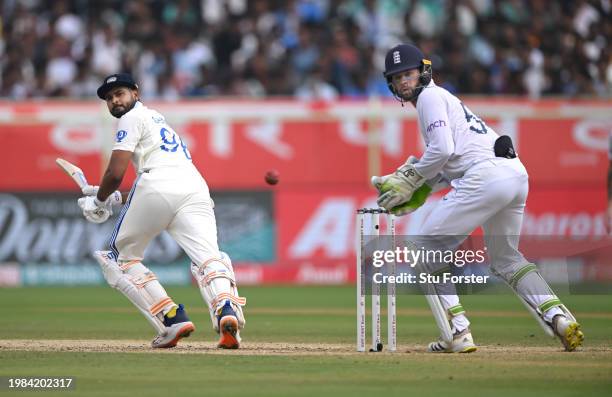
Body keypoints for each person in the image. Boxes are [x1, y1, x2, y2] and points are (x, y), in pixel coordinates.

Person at [371, 44, 584, 352]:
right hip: (513, 174)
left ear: (423, 71)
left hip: (486, 176)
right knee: (506, 258)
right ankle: (559, 317)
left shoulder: (430, 97)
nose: (403, 81)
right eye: (397, 77)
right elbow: (450, 161)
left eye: (408, 73)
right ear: (390, 83)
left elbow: (442, 150)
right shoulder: (443, 99)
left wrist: (413, 178)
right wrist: (422, 184)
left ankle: (458, 332)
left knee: (422, 245)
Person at [77, 73, 246, 349]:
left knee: (117, 258)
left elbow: (116, 171)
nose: (114, 100)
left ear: (136, 92)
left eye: (119, 93)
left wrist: (99, 201)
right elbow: (158, 182)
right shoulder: (158, 120)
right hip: (194, 187)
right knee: (210, 258)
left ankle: (171, 318)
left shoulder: (130, 118)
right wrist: (112, 196)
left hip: (157, 185)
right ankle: (226, 309)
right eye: (109, 98)